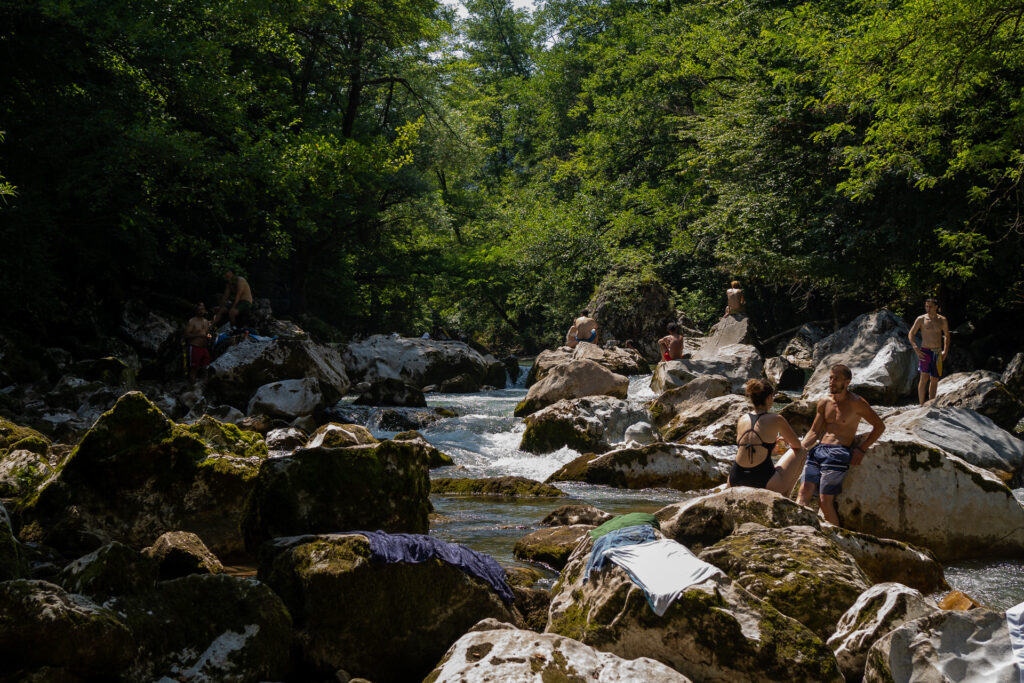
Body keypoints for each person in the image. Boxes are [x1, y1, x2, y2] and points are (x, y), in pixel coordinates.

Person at [796, 364, 885, 526]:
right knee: (803, 493)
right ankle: (798, 532)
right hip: (818, 451)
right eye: (830, 378)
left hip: (838, 453)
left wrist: (861, 448)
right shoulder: (824, 402)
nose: (832, 382)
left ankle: (835, 541)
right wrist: (798, 448)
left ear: (847, 382)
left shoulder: (857, 403)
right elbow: (814, 432)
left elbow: (879, 426)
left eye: (836, 378)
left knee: (824, 501)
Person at [727, 379, 807, 493]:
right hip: (763, 481)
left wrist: (771, 448)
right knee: (802, 451)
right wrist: (783, 443)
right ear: (769, 398)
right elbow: (797, 445)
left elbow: (749, 446)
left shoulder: (742, 419)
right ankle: (785, 499)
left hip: (735, 478)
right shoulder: (776, 419)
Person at [907, 297, 950, 404]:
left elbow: (947, 336)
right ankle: (921, 404)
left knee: (934, 379)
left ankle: (931, 403)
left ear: (936, 307)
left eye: (930, 306)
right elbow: (911, 334)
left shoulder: (942, 320)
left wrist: (945, 351)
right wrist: (916, 348)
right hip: (924, 351)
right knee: (924, 378)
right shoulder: (921, 319)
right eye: (926, 306)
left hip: (937, 352)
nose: (928, 308)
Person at [184, 302, 212, 381]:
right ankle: (191, 386)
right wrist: (198, 335)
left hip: (204, 348)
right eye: (199, 310)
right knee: (194, 369)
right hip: (194, 347)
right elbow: (186, 335)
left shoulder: (206, 322)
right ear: (196, 311)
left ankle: (203, 388)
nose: (201, 311)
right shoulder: (192, 321)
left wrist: (209, 337)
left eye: (202, 309)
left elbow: (207, 333)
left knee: (206, 368)